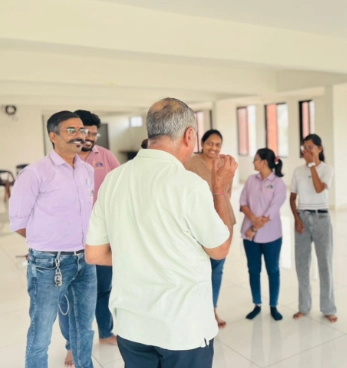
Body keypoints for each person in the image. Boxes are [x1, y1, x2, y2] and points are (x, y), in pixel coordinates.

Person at [85, 98, 237, 368]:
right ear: (189, 135)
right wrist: (220, 190)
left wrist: (140, 256)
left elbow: (94, 254)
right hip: (182, 328)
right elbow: (219, 249)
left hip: (132, 326)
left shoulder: (114, 179)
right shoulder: (188, 184)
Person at [9, 111, 96, 368]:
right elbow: (18, 222)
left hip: (85, 259)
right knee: (41, 331)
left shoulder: (87, 170)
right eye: (71, 130)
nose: (79, 135)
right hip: (49, 264)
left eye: (82, 130)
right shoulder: (36, 173)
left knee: (84, 327)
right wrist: (48, 243)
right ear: (53, 136)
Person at [56, 110, 120, 367]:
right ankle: (72, 346)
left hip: (101, 237)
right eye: (86, 132)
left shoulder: (105, 156)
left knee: (103, 289)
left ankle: (105, 332)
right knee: (68, 296)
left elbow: (120, 189)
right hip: (69, 241)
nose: (91, 137)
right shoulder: (61, 161)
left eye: (95, 133)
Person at [184, 129, 236, 329]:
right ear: (202, 143)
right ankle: (198, 310)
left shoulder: (224, 164)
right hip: (198, 223)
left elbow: (227, 194)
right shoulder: (190, 163)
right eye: (209, 143)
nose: (213, 148)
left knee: (217, 269)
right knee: (198, 268)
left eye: (217, 144)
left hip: (222, 220)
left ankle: (212, 309)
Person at [290, 134, 337, 323]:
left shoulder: (327, 169)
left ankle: (328, 308)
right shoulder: (297, 171)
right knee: (302, 264)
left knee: (325, 263)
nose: (307, 151)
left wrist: (311, 165)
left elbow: (319, 189)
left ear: (320, 149)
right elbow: (292, 198)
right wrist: (296, 219)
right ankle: (304, 306)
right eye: (305, 147)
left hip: (321, 218)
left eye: (310, 147)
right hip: (302, 217)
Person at [240, 148, 286, 321]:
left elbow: (272, 211)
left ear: (264, 162)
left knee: (273, 270)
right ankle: (257, 304)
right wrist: (253, 220)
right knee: (253, 270)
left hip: (271, 236)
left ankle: (273, 306)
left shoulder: (278, 184)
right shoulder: (250, 180)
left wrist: (254, 228)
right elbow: (242, 203)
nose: (253, 162)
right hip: (249, 236)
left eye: (256, 159)